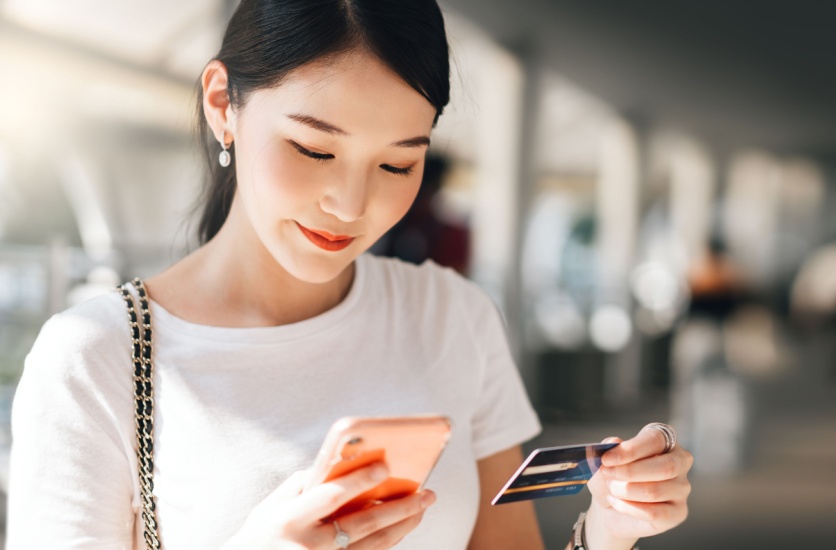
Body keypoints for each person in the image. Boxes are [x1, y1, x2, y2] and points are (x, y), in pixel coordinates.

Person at [5, 1, 693, 549]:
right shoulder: (97, 359)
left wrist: (608, 531)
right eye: (313, 148)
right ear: (223, 105)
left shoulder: (453, 317)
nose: (352, 205)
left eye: (398, 164)